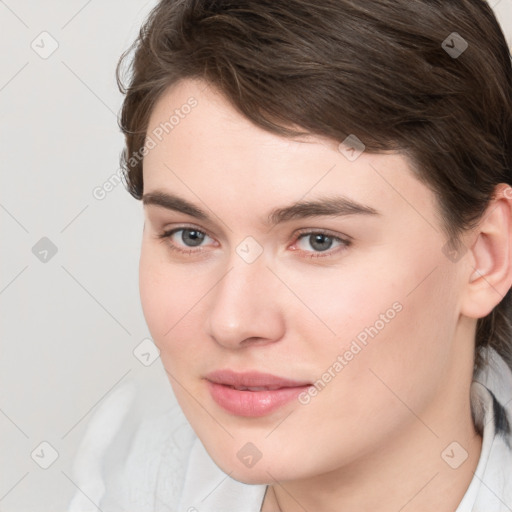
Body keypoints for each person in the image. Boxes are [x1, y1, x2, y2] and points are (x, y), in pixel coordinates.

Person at [69, 1, 512, 511]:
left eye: (318, 240)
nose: (232, 322)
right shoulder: (133, 464)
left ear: (485, 255)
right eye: (190, 235)